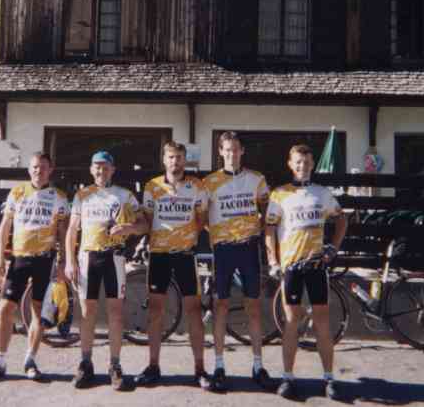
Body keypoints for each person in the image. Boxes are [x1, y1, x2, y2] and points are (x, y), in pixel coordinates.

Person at [0, 152, 69, 383]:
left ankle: (30, 360)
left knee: (37, 311)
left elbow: (63, 233)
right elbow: (5, 226)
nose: (39, 171)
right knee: (6, 308)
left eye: (43, 167)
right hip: (19, 258)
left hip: (44, 259)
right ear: (30, 170)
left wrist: (63, 262)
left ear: (51, 170)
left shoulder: (59, 197)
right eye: (35, 167)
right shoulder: (17, 192)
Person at [266, 144, 348, 400]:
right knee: (291, 323)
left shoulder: (322, 193)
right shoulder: (279, 194)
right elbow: (268, 229)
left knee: (322, 323)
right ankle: (288, 378)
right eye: (298, 162)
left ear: (313, 164)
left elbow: (341, 219)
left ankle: (329, 378)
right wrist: (272, 261)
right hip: (291, 267)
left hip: (316, 266)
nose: (302, 166)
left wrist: (332, 250)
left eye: (307, 162)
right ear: (290, 164)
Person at [65, 151, 148, 391]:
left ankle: (115, 365)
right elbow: (72, 230)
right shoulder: (83, 195)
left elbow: (143, 226)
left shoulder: (125, 195)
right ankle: (86, 363)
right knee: (87, 311)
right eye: (97, 167)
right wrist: (70, 261)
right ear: (91, 170)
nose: (101, 171)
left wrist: (128, 228)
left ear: (113, 169)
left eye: (106, 167)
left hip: (115, 258)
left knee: (116, 313)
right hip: (88, 257)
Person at [202, 131, 274, 392]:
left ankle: (258, 365)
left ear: (242, 151)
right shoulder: (208, 183)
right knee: (220, 306)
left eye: (236, 150)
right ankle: (219, 366)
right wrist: (219, 234)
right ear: (220, 152)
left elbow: (268, 216)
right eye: (227, 150)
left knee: (253, 307)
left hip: (249, 249)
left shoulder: (257, 180)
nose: (231, 154)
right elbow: (201, 218)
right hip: (223, 251)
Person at [135, 141, 210, 389]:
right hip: (159, 255)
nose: (175, 162)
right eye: (170, 157)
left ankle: (200, 369)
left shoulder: (197, 186)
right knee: (155, 312)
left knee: (194, 312)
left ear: (184, 160)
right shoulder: (152, 186)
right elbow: (146, 220)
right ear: (163, 160)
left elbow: (201, 220)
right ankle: (153, 366)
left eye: (179, 157)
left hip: (186, 255)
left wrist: (186, 237)